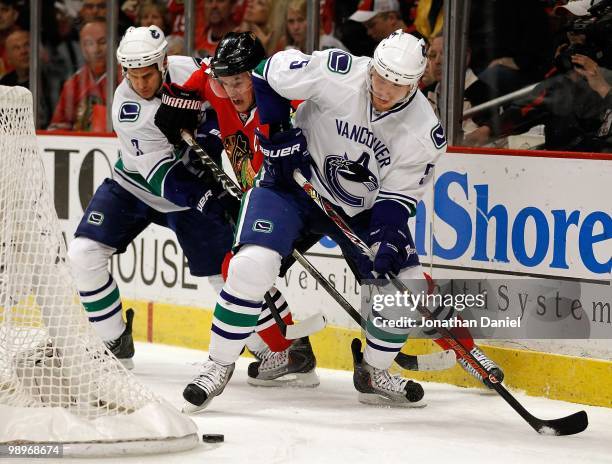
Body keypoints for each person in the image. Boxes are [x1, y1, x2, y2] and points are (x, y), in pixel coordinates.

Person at [162, 29, 504, 410]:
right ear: (371, 65)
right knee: (248, 265)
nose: (385, 89)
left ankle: (374, 372)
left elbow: (397, 197)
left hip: (360, 209)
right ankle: (219, 364)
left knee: (402, 288)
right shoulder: (337, 71)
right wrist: (278, 132)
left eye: (398, 84)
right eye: (380, 77)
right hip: (291, 187)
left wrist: (388, 236)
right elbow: (266, 72)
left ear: (416, 83)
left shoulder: (425, 133)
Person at [154, 32, 320, 410]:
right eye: (225, 83)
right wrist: (176, 101)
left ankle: (388, 350)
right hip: (269, 202)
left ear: (259, 74)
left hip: (310, 199)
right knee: (238, 267)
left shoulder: (287, 97)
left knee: (375, 263)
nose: (231, 92)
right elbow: (196, 76)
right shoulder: (217, 88)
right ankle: (289, 352)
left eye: (240, 81)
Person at [66, 25, 236, 369]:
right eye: (133, 75)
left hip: (192, 185)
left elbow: (225, 102)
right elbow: (163, 178)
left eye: (147, 75)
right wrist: (206, 199)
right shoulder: (126, 107)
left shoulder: (190, 70)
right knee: (83, 253)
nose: (140, 85)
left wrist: (212, 135)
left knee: (230, 272)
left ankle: (280, 349)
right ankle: (113, 339)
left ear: (163, 64)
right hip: (136, 188)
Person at [47, 20, 113, 132]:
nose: (96, 50)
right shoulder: (74, 83)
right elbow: (57, 128)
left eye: (102, 42)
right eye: (89, 43)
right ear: (82, 48)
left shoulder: (128, 78)